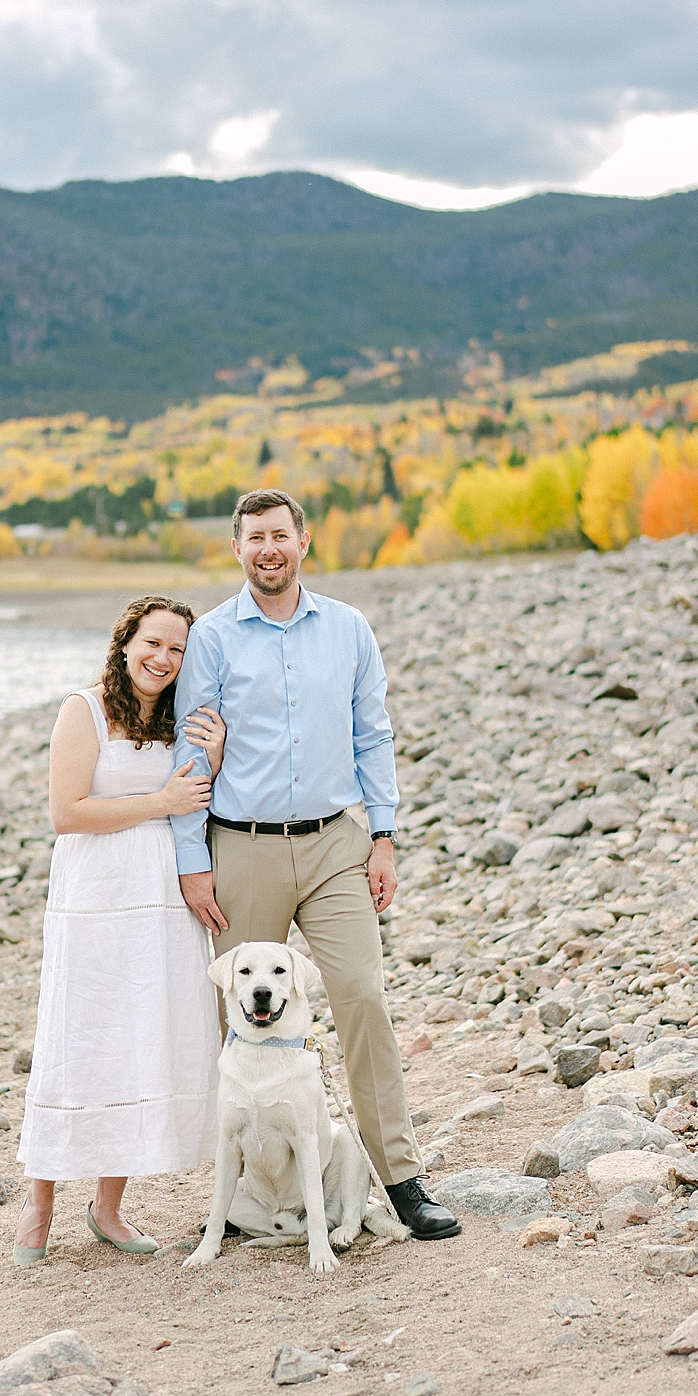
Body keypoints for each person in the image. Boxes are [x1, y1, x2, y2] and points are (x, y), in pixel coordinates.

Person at [171, 489, 461, 1241]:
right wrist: (191, 859)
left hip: (337, 843)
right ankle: (244, 1191)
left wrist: (384, 836)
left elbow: (374, 734)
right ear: (238, 549)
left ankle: (399, 1177)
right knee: (241, 1012)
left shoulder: (348, 627)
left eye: (280, 535)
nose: (268, 549)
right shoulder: (211, 637)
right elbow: (190, 750)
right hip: (243, 844)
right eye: (254, 538)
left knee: (362, 994)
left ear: (303, 541)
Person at [13, 595, 225, 1263]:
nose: (163, 658)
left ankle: (107, 1208)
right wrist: (158, 802)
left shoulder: (180, 717)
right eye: (152, 643)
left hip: (159, 897)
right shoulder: (84, 709)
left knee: (140, 1040)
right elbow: (67, 812)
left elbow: (197, 800)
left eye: (177, 649)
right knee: (78, 1040)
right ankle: (40, 1201)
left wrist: (215, 757)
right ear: (125, 642)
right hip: (96, 896)